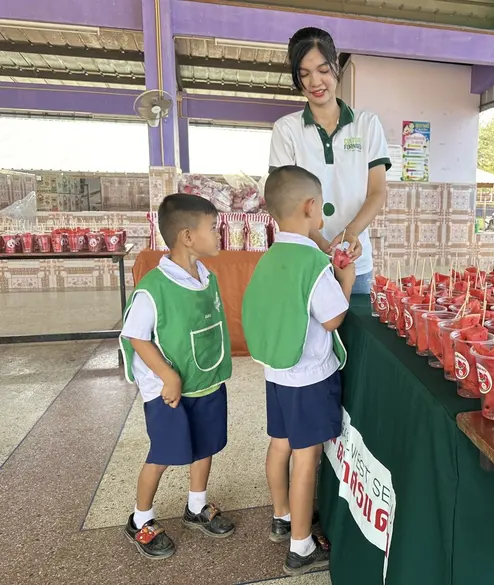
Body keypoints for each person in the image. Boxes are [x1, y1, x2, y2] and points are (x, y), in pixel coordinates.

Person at [242, 166, 355, 576]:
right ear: (311, 207)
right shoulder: (311, 261)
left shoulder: (271, 254)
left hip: (277, 372)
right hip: (309, 376)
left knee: (280, 445)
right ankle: (301, 547)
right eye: (321, 204)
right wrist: (345, 277)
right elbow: (333, 319)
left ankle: (282, 516)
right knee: (306, 457)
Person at [119, 194, 234, 560]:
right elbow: (137, 336)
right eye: (213, 228)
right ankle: (141, 520)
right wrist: (168, 376)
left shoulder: (206, 276)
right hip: (169, 391)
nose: (220, 235)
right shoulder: (154, 288)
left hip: (206, 381)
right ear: (187, 236)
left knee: (206, 444)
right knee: (164, 453)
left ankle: (196, 506)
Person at [268, 26, 390, 295]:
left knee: (353, 335)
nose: (315, 82)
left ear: (336, 66)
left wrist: (351, 234)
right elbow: (283, 203)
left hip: (355, 260)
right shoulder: (286, 129)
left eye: (323, 71)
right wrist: (321, 243)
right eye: (305, 74)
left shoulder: (366, 124)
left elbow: (377, 191)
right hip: (305, 258)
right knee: (308, 335)